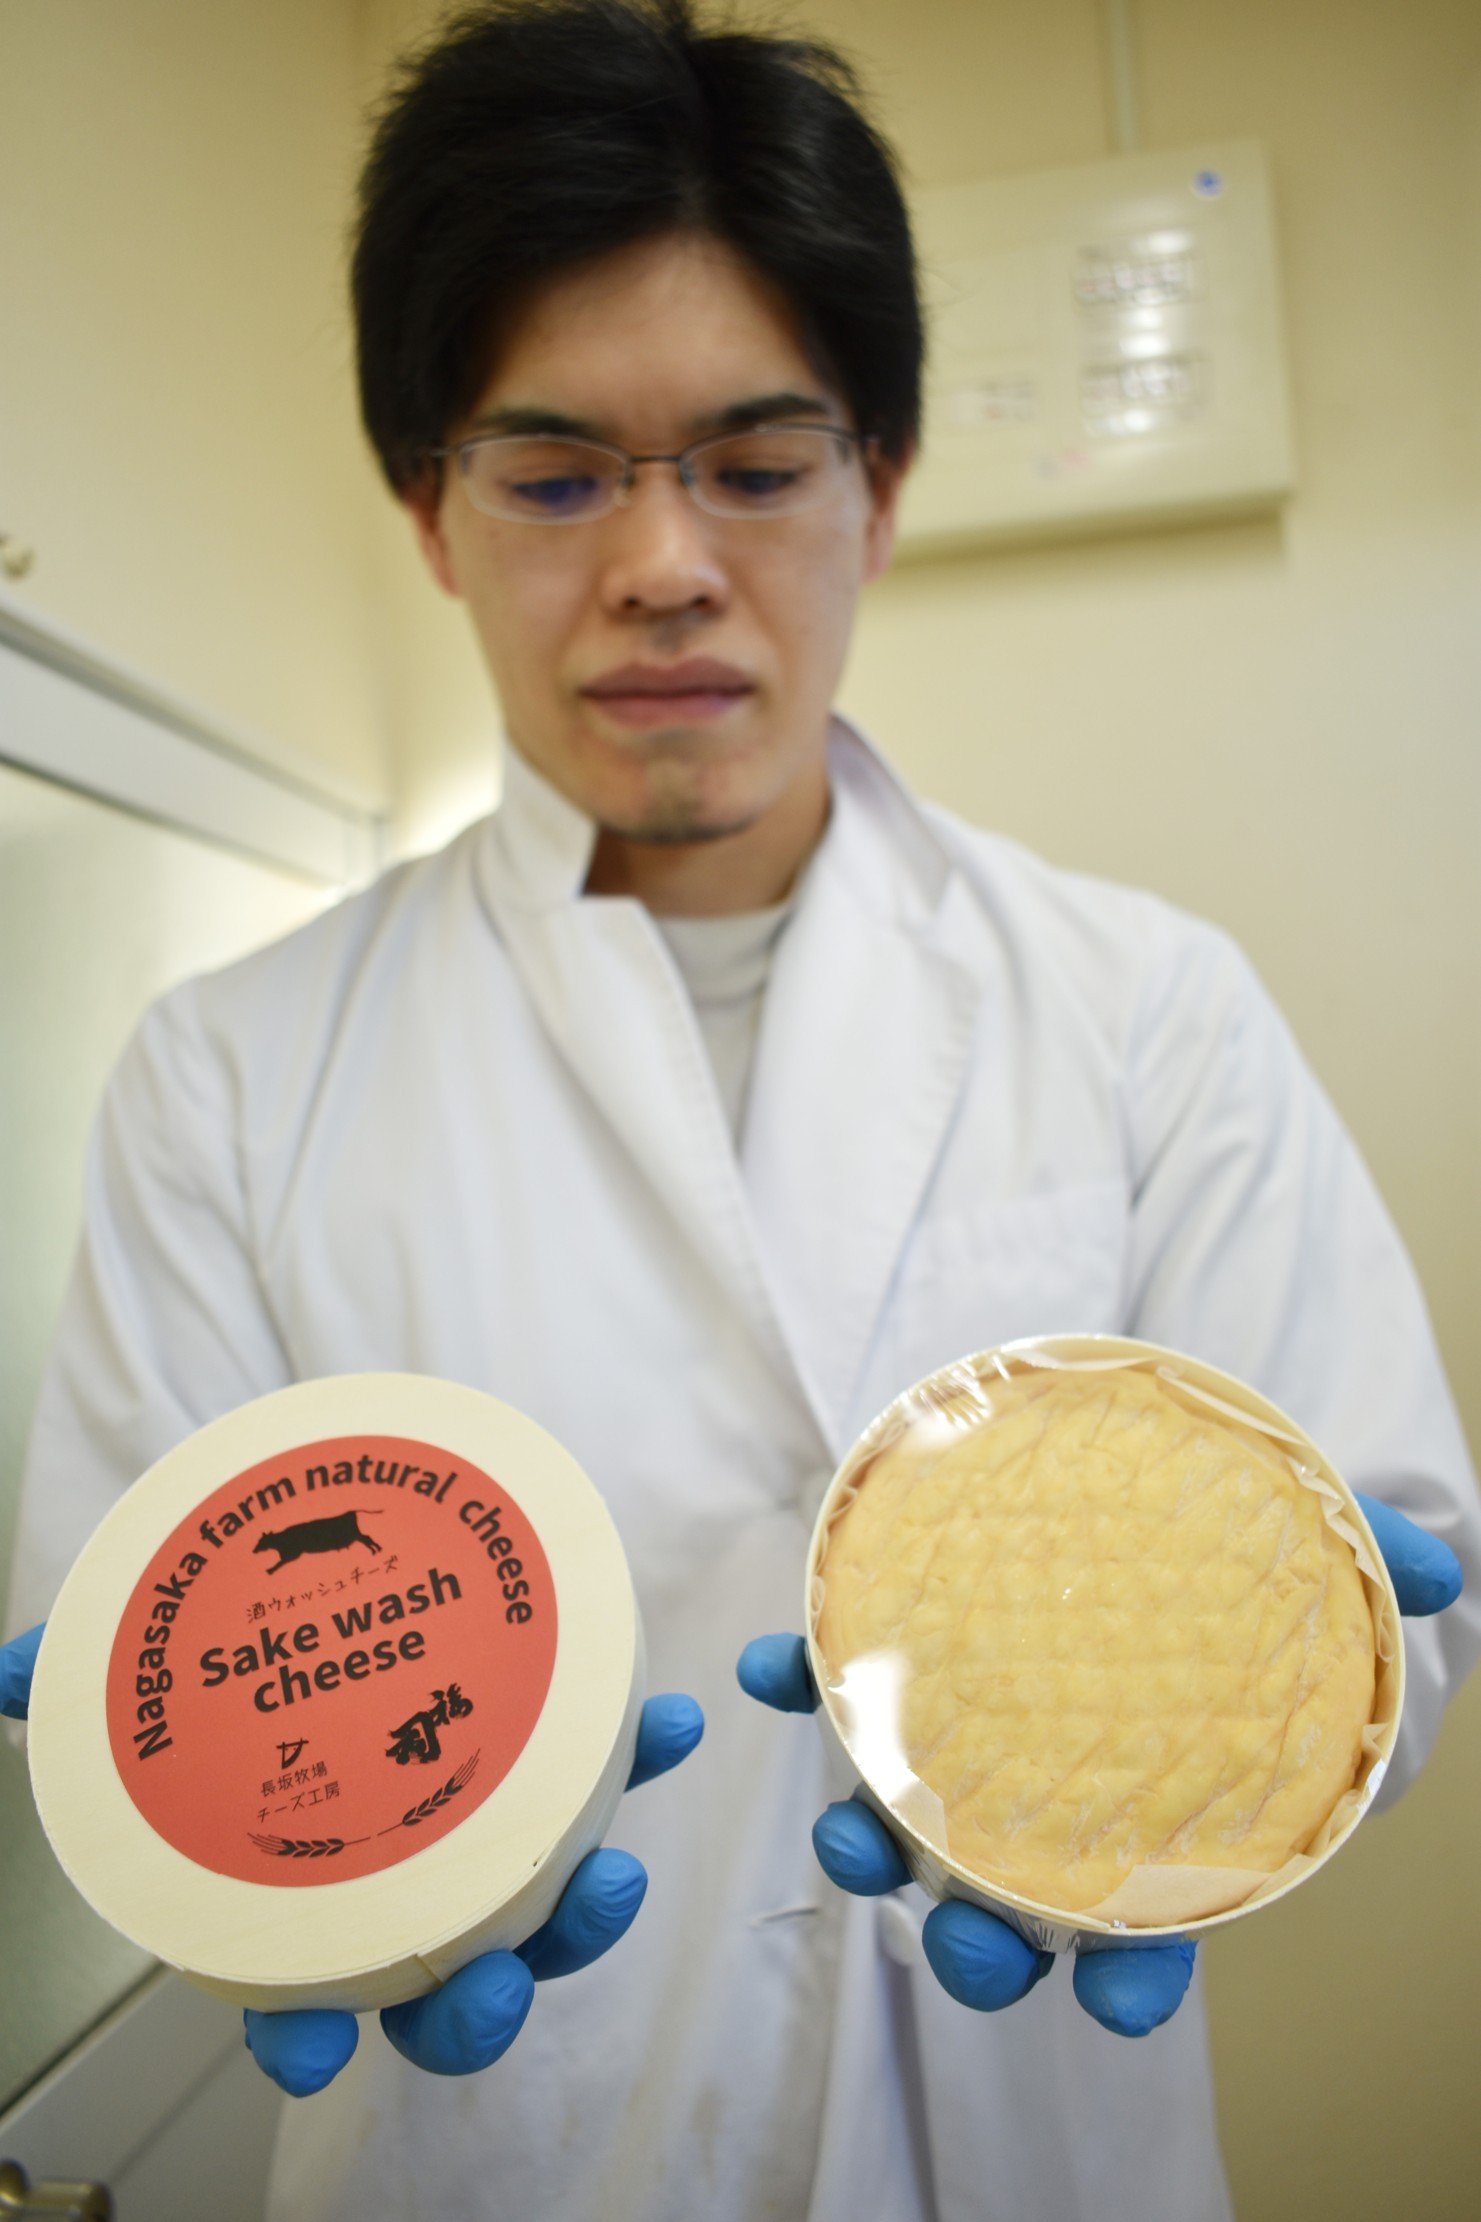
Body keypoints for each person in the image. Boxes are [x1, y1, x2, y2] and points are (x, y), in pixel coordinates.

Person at [4, 2, 1479, 2217]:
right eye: (555, 473)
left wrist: (1256, 1686)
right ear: (428, 509)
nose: (665, 563)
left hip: (1029, 2120)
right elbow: (152, 1667)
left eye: (758, 465)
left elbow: (1384, 1583)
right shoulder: (233, 1070)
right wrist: (238, 1840)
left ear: (882, 483)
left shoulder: (1144, 1006)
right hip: (502, 2138)